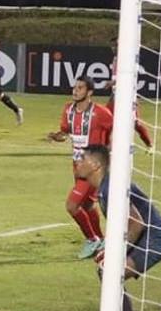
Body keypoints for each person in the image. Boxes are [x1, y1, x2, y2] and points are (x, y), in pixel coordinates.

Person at [76, 145, 161, 311]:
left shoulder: (110, 187)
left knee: (110, 274)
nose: (77, 162)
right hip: (147, 237)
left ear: (95, 165)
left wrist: (117, 252)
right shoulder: (104, 187)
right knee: (107, 273)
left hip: (156, 239)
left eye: (82, 158)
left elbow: (136, 223)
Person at [46, 76, 113, 259]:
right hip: (77, 165)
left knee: (72, 205)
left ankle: (91, 239)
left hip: (93, 167)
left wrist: (108, 152)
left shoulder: (101, 112)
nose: (75, 91)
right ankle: (100, 239)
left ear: (89, 92)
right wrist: (56, 136)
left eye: (80, 88)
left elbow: (115, 128)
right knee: (88, 204)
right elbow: (66, 132)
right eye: (75, 87)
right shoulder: (68, 109)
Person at [105, 36, 153, 153]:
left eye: (116, 45)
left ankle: (150, 145)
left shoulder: (127, 59)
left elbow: (128, 77)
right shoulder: (116, 58)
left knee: (135, 123)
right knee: (106, 120)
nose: (114, 48)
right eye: (113, 45)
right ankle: (108, 147)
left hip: (128, 95)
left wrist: (113, 82)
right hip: (116, 94)